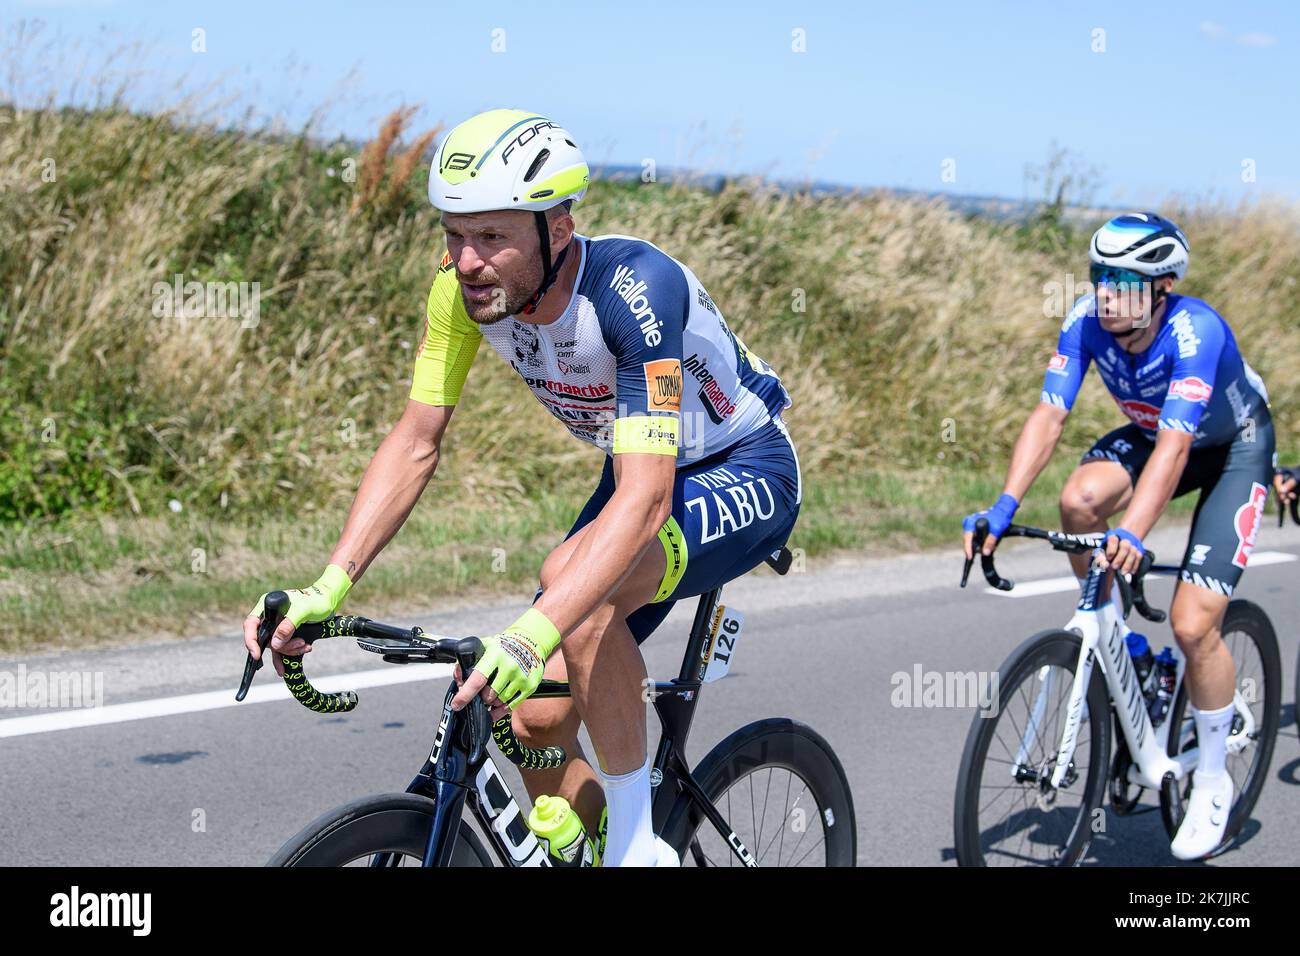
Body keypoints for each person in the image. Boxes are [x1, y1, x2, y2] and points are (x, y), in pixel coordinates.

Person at [243, 109, 800, 867]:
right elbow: (415, 442)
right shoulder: (460, 295)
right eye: (453, 234)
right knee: (531, 718)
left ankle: (639, 847)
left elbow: (643, 502)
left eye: (493, 238)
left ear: (557, 230)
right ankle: (600, 839)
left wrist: (532, 631)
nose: (468, 262)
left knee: (572, 594)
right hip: (640, 465)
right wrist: (328, 586)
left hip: (741, 464)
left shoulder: (636, 292)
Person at [962, 212, 1276, 860]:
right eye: (1099, 275)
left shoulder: (1196, 331)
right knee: (1078, 503)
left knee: (1193, 626)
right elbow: (1051, 414)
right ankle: (1124, 647)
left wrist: (1133, 532)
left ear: (1162, 288)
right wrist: (1002, 504)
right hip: (1155, 435)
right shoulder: (1084, 321)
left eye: (1124, 281)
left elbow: (1177, 444)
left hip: (1230, 449)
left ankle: (1213, 781)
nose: (1106, 292)